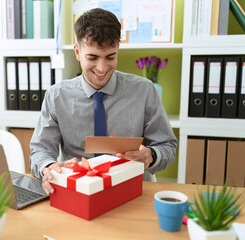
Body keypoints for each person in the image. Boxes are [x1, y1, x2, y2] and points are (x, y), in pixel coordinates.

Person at [30, 8, 178, 196]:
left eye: (110, 57)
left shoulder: (145, 91)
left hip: (130, 191)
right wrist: (49, 167)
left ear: (118, 50)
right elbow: (40, 150)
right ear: (77, 52)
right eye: (92, 57)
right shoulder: (56, 96)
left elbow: (167, 146)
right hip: (77, 191)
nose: (101, 68)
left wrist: (152, 155)